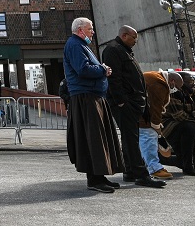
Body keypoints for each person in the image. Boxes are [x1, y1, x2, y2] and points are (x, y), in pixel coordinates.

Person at [64, 17, 124, 194]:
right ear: (80, 29)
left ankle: (100, 176)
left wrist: (101, 69)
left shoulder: (81, 45)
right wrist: (103, 70)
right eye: (90, 29)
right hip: (86, 98)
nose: (93, 32)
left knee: (98, 139)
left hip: (92, 96)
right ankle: (94, 179)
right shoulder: (75, 45)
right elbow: (82, 69)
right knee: (93, 139)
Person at [102, 25, 165, 188]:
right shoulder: (113, 50)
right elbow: (113, 78)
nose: (136, 41)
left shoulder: (124, 50)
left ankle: (130, 171)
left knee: (130, 137)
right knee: (131, 138)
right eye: (133, 37)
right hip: (125, 104)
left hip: (133, 103)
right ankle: (141, 174)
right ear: (124, 35)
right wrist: (122, 101)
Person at [161, 71, 195, 176]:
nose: (193, 84)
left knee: (192, 127)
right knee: (189, 127)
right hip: (169, 126)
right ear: (180, 83)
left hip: (186, 124)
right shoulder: (173, 93)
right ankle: (159, 158)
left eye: (193, 81)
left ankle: (185, 163)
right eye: (190, 81)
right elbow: (180, 116)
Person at [139, 70, 173, 180]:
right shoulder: (160, 84)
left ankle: (136, 169)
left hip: (137, 110)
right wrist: (157, 127)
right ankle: (154, 168)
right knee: (149, 136)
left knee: (141, 139)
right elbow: (156, 108)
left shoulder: (154, 76)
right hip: (142, 115)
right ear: (172, 82)